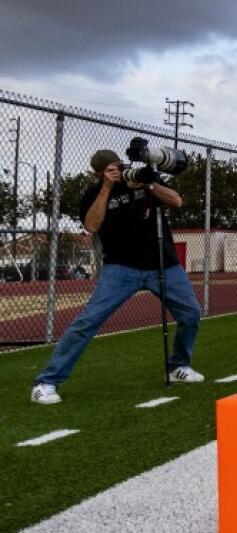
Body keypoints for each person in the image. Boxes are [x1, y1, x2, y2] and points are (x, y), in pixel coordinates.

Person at [32, 149, 204, 405]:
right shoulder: (94, 193)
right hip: (120, 268)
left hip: (163, 264)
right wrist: (106, 188)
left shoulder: (144, 179)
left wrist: (149, 183)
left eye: (120, 165)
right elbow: (92, 225)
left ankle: (178, 366)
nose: (119, 170)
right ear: (99, 173)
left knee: (191, 314)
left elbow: (176, 200)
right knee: (88, 321)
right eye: (111, 169)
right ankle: (46, 382)